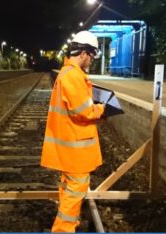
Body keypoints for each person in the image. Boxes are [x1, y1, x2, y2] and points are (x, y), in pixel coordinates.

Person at [41, 30, 105, 233]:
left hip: (70, 145)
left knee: (68, 188)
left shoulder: (68, 73)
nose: (92, 60)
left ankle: (69, 224)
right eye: (92, 55)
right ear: (84, 52)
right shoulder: (73, 76)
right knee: (75, 191)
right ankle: (63, 229)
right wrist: (103, 108)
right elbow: (83, 112)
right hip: (75, 150)